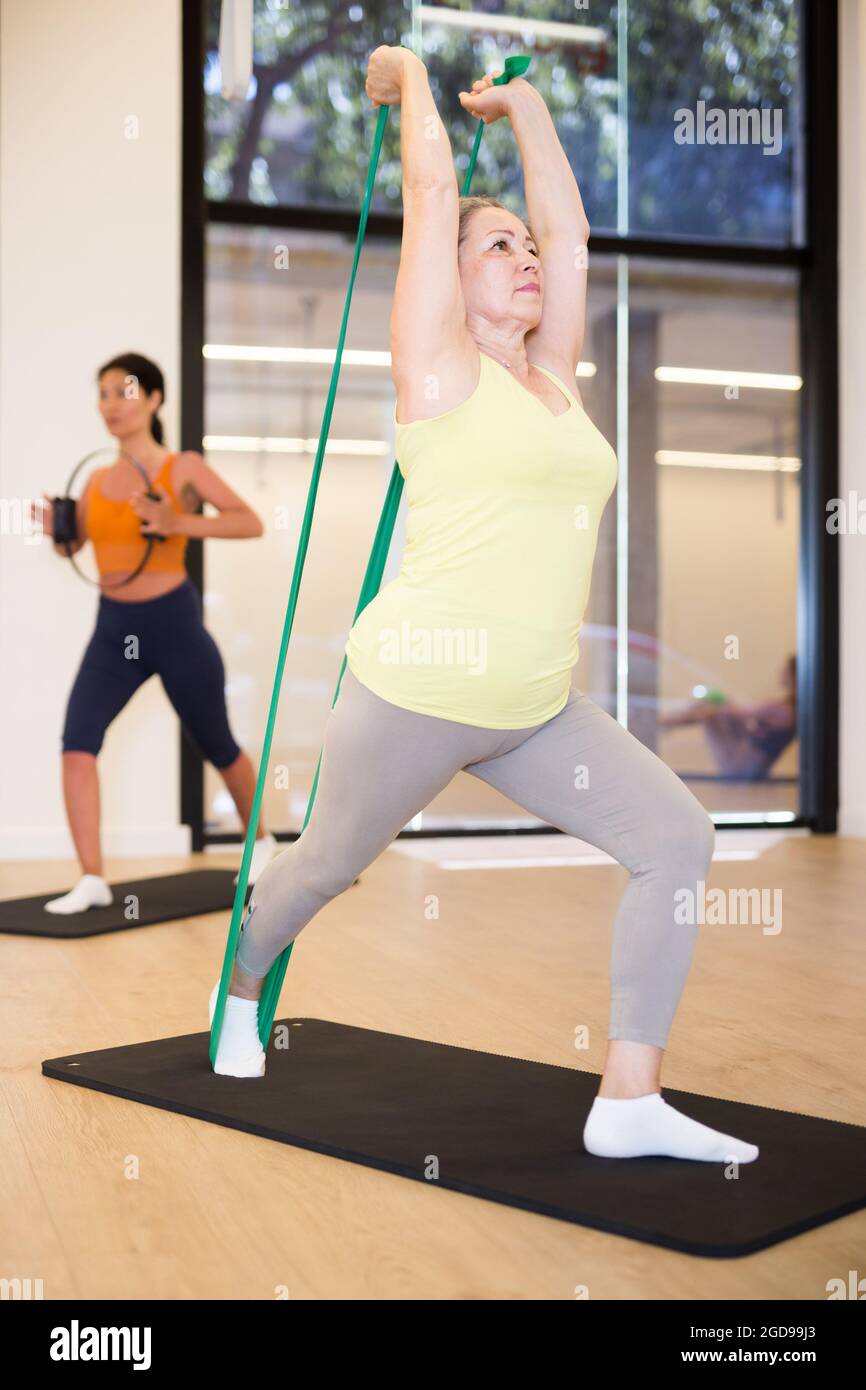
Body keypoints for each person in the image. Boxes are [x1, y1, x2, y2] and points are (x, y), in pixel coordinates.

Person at [209, 50, 758, 1165]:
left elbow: (574, 237)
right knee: (325, 866)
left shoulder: (552, 375)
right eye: (492, 244)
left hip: (535, 706)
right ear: (447, 280)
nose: (521, 256)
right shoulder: (436, 368)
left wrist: (528, 107)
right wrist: (410, 78)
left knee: (676, 839)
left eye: (522, 247)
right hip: (412, 689)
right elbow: (426, 194)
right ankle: (240, 985)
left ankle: (627, 1098)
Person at [33, 352, 279, 912]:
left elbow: (249, 521)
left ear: (154, 400)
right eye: (103, 394)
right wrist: (57, 532)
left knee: (216, 743)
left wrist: (176, 522)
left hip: (172, 622)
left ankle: (262, 842)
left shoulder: (182, 468)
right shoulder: (96, 480)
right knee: (77, 743)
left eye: (124, 391)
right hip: (113, 628)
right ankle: (92, 880)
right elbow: (80, 549)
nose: (111, 405)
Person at [659, 655, 797, 780]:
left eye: (785, 670)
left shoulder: (783, 710)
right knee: (715, 707)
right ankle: (667, 721)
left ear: (792, 676)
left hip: (741, 768)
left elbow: (738, 711)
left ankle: (666, 721)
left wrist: (717, 703)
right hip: (749, 763)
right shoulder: (789, 709)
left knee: (712, 711)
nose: (781, 673)